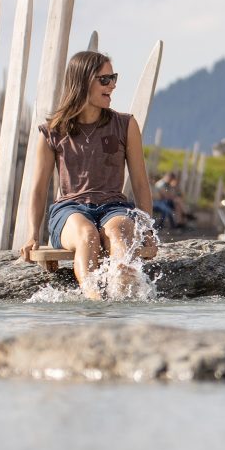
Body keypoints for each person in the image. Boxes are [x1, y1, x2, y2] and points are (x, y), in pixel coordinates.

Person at [19, 50, 155, 299]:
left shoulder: (126, 125)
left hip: (114, 208)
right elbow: (38, 189)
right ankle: (94, 302)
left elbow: (140, 183)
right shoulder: (52, 131)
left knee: (120, 232)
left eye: (113, 78)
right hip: (70, 211)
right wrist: (32, 236)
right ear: (83, 82)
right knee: (87, 235)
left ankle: (123, 301)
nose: (112, 85)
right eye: (104, 79)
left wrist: (145, 231)